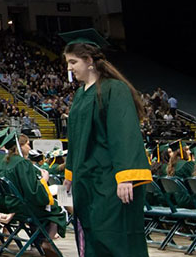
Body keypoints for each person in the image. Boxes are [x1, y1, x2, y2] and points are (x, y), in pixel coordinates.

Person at [58, 28, 151, 256]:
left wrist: (126, 177)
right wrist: (70, 174)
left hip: (111, 181)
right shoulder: (81, 94)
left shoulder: (114, 89)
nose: (69, 68)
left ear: (89, 61)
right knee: (93, 237)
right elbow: (77, 139)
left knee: (113, 237)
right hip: (87, 181)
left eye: (73, 62)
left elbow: (124, 134)